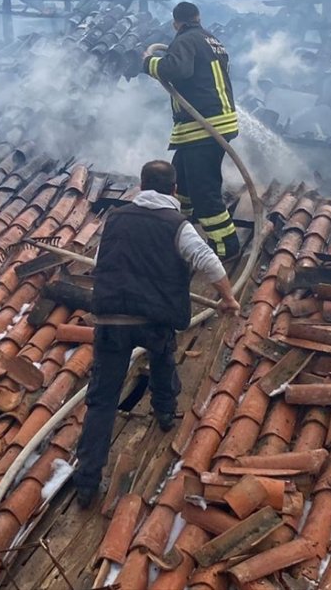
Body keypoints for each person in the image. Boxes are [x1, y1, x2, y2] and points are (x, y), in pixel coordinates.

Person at [73, 159, 240, 508]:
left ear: (142, 185)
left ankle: (87, 482)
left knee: (102, 401)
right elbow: (207, 260)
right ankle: (165, 413)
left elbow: (104, 258)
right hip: (153, 320)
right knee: (163, 359)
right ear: (174, 189)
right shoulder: (176, 224)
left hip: (111, 320)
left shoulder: (116, 219)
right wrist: (227, 298)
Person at [143, 1, 240, 260]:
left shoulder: (184, 40)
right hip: (210, 125)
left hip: (204, 128)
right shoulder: (212, 40)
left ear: (176, 23)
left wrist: (149, 63)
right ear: (198, 17)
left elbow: (177, 70)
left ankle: (225, 246)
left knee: (203, 189)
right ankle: (178, 228)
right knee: (181, 182)